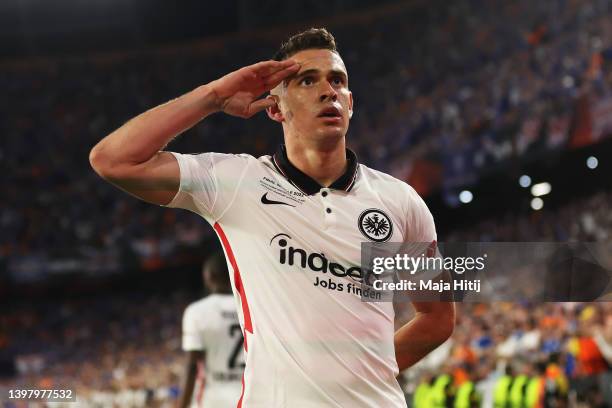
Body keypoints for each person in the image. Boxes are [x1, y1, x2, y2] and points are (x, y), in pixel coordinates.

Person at [89, 27, 455, 407]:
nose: (327, 90)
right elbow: (113, 159)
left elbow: (438, 317)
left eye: (337, 81)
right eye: (307, 81)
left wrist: (367, 374)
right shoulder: (234, 183)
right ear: (276, 108)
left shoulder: (401, 200)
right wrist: (212, 97)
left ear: (350, 103)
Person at [178, 253, 244, 408]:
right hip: (251, 396)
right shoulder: (253, 309)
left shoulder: (197, 311)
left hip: (213, 398)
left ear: (209, 276)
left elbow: (192, 365)